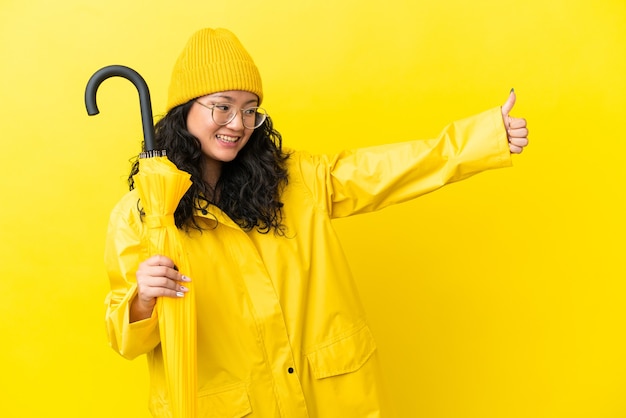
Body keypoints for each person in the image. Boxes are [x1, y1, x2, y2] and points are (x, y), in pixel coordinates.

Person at [104, 27, 529, 417]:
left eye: (251, 110)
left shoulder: (295, 181)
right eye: (222, 107)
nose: (238, 124)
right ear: (185, 110)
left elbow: (384, 171)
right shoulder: (141, 216)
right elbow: (125, 338)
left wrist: (483, 139)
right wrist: (143, 299)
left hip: (329, 398)